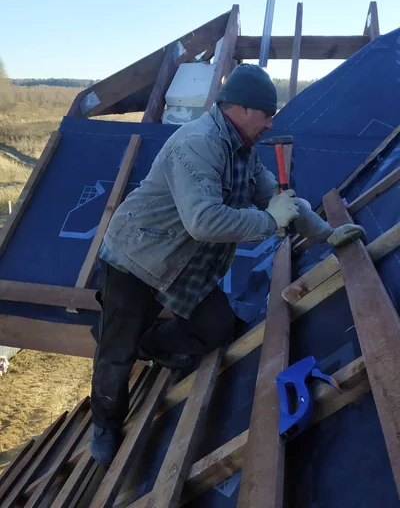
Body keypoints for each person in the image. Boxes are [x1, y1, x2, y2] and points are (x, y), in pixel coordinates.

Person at [90, 64, 365, 464]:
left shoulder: (242, 151)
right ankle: (105, 423)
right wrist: (270, 222)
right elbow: (204, 221)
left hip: (184, 265)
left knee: (217, 328)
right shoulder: (198, 144)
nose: (270, 125)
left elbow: (278, 198)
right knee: (117, 354)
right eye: (267, 115)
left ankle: (143, 341)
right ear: (242, 109)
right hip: (136, 257)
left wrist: (325, 233)